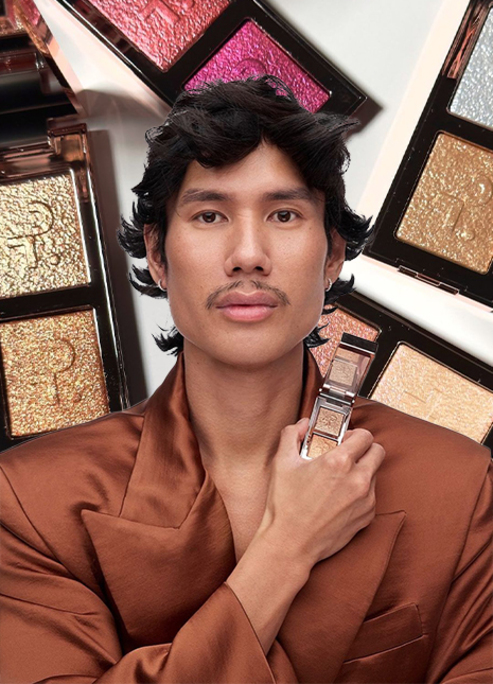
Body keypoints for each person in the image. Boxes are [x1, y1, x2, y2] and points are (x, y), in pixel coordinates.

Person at [0, 76, 491, 684]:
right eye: (210, 215)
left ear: (333, 254)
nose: (248, 254)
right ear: (158, 253)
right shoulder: (31, 503)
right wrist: (287, 548)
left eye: (284, 214)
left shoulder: (460, 487)